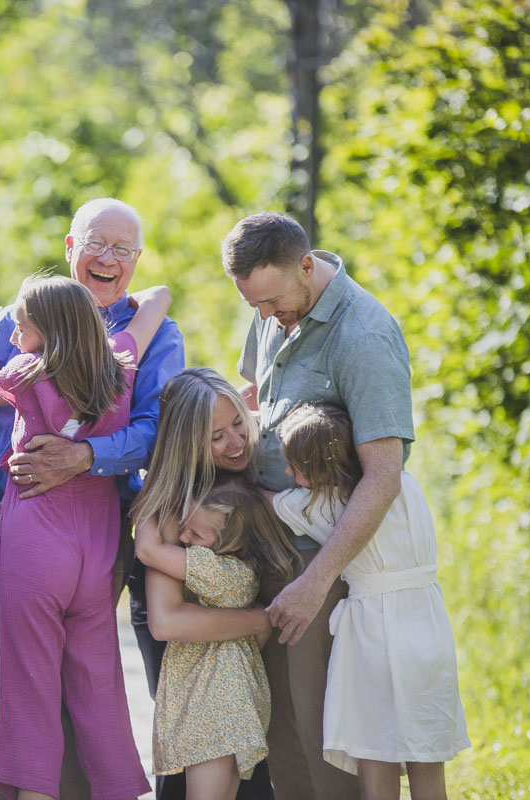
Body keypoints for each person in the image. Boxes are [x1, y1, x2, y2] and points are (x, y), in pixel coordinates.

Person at [0, 198, 185, 800]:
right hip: (88, 537)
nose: (109, 259)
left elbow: (156, 432)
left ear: (136, 259)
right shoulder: (119, 355)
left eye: (123, 250)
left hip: (41, 528)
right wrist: (161, 296)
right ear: (70, 248)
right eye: (97, 245)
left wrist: (85, 456)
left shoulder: (28, 343)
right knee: (96, 687)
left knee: (26, 686)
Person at [224, 210, 415, 800]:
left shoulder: (364, 335)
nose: (265, 316)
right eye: (253, 304)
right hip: (268, 547)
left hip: (321, 563)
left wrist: (316, 582)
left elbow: (384, 475)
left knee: (322, 731)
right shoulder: (275, 306)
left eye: (273, 301)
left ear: (306, 265)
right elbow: (254, 394)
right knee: (278, 729)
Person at [270, 403, 469, 799]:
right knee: (426, 757)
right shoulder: (404, 485)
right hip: (427, 626)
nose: (290, 476)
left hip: (372, 635)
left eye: (295, 467)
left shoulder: (325, 507)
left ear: (319, 468)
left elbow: (266, 502)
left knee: (374, 753)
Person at [134, 476, 296, 800]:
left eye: (195, 534)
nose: (182, 537)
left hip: (216, 704)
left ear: (230, 543)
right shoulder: (237, 569)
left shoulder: (220, 571)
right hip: (227, 699)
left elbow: (148, 550)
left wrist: (153, 486)